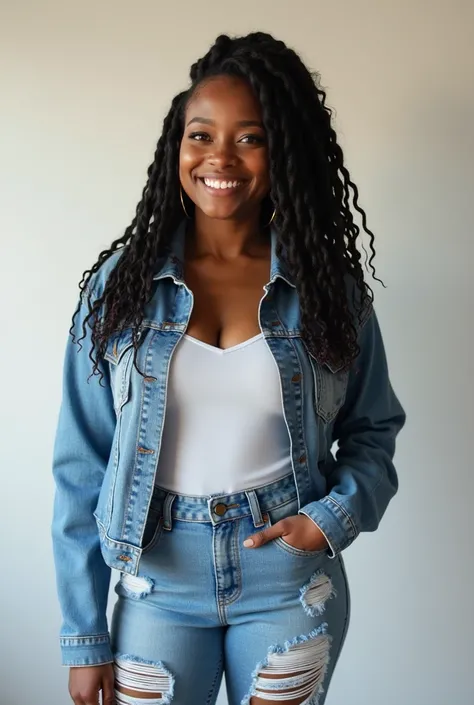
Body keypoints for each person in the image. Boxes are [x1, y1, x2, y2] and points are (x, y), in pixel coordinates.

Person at [51, 31, 405, 705]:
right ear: (175, 146)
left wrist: (330, 517)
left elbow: (373, 429)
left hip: (288, 580)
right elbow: (79, 466)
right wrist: (83, 636)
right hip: (157, 578)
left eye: (250, 138)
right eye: (200, 135)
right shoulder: (119, 289)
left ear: (283, 152)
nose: (220, 158)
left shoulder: (328, 291)